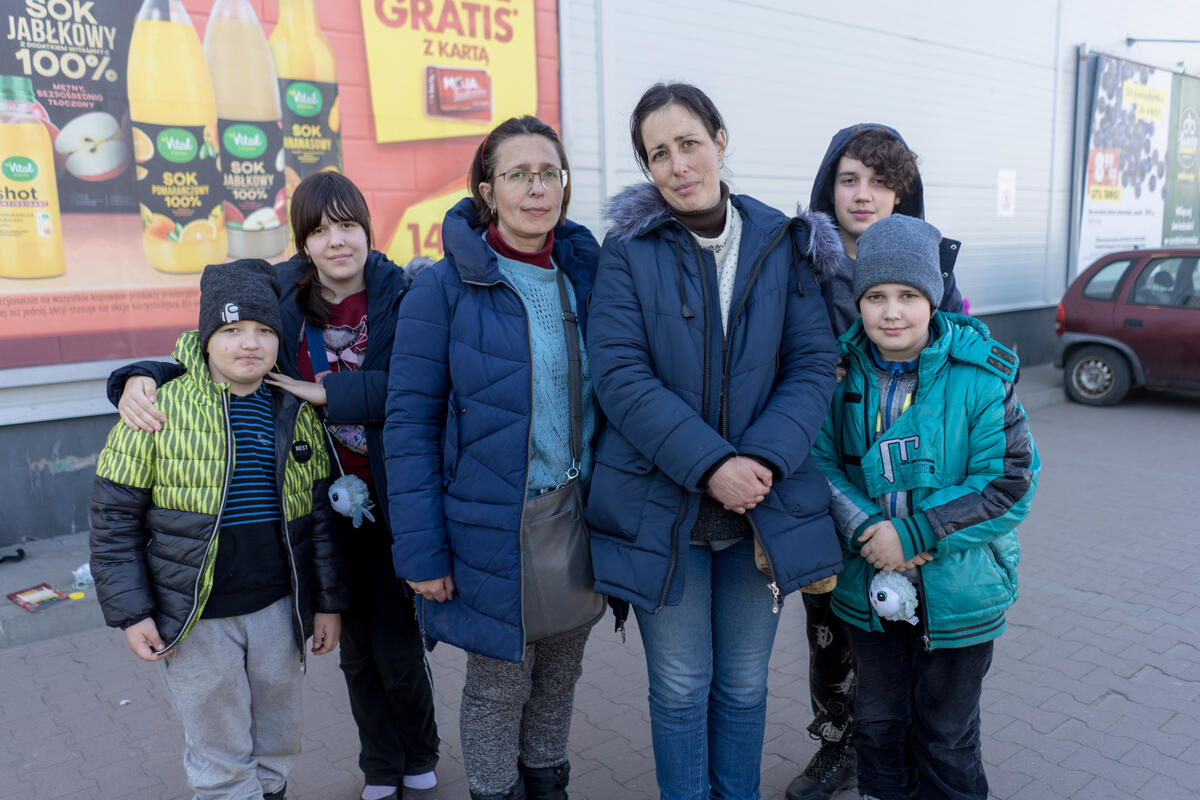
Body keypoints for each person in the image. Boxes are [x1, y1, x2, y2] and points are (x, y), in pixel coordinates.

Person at [109, 172, 442, 800]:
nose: (336, 241)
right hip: (322, 501)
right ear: (303, 243)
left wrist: (327, 391)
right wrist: (137, 376)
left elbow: (417, 386)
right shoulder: (285, 301)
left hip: (400, 500)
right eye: (319, 231)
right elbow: (219, 344)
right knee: (350, 646)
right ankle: (379, 764)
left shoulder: (408, 293)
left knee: (398, 646)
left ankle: (418, 749)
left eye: (348, 225)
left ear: (368, 229)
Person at [584, 82, 842, 800]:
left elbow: (812, 363)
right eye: (657, 153)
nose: (677, 165)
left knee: (743, 684)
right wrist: (710, 465)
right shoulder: (628, 250)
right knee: (679, 685)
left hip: (763, 501)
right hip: (663, 507)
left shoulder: (782, 240)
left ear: (720, 139)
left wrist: (755, 461)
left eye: (688, 143)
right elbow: (619, 373)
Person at [384, 115, 601, 800]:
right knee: (499, 683)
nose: (537, 189)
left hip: (582, 521)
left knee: (561, 673)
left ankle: (548, 785)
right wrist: (422, 556)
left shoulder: (588, 279)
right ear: (488, 188)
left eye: (549, 173)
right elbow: (410, 427)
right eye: (518, 174)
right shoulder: (443, 290)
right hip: (491, 529)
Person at [89, 259, 347, 800]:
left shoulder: (294, 411)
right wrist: (131, 612)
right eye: (231, 330)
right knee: (218, 748)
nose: (248, 344)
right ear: (206, 338)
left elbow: (320, 521)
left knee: (279, 738)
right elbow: (114, 522)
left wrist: (327, 602)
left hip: (280, 609)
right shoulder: (156, 408)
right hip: (196, 619)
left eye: (263, 330)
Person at [812, 214, 1039, 800]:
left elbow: (1010, 483)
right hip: (869, 590)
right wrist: (868, 529)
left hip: (960, 596)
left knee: (946, 736)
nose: (892, 312)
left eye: (909, 295)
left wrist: (913, 535)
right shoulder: (835, 377)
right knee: (879, 730)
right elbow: (819, 465)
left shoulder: (982, 378)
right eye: (876, 296)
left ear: (933, 300)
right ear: (858, 302)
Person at [787, 124, 967, 800]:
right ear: (828, 186)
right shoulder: (800, 265)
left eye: (881, 181)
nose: (864, 195)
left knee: (913, 631)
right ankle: (839, 743)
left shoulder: (936, 269)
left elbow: (963, 372)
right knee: (829, 629)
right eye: (849, 178)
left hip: (914, 499)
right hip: (827, 483)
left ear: (904, 192)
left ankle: (915, 747)